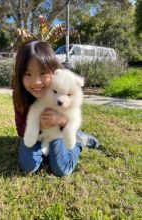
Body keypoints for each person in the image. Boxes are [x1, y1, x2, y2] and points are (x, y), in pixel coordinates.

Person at [12, 40, 99, 177]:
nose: (36, 82)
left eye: (43, 73)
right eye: (27, 74)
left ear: (53, 71)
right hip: (36, 134)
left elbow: (73, 116)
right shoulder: (20, 95)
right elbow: (20, 129)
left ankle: (80, 140)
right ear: (19, 75)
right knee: (28, 166)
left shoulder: (62, 87)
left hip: (60, 130)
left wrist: (61, 121)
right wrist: (38, 125)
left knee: (61, 169)